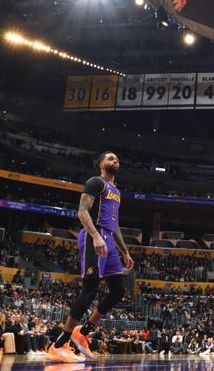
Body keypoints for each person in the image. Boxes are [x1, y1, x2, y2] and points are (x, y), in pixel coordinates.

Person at [48, 151, 134, 363]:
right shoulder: (96, 182)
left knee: (118, 290)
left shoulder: (117, 191)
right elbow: (82, 211)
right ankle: (59, 344)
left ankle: (83, 332)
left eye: (117, 158)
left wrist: (125, 251)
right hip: (93, 236)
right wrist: (96, 236)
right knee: (91, 288)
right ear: (101, 164)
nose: (116, 161)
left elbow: (115, 225)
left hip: (110, 239)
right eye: (111, 158)